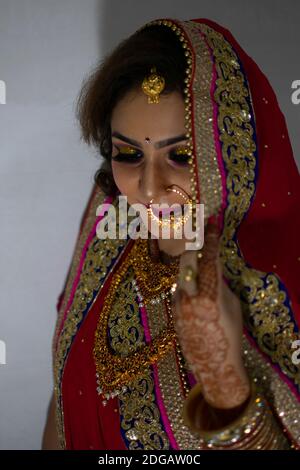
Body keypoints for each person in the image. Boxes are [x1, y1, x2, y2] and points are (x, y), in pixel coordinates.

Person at [42, 17, 300, 450]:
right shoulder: (111, 230)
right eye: (128, 154)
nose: (147, 187)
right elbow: (64, 394)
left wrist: (224, 382)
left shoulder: (279, 286)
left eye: (180, 155)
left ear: (230, 156)